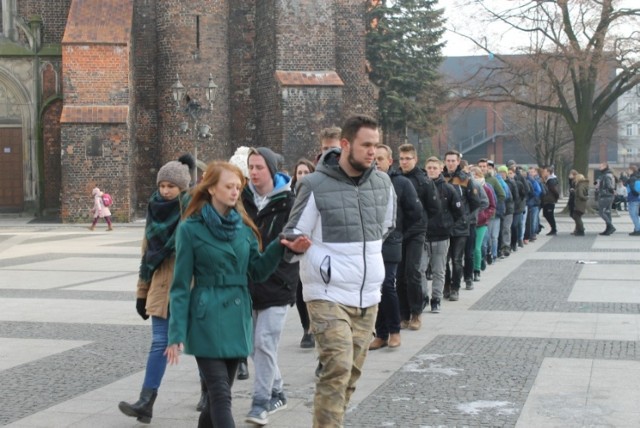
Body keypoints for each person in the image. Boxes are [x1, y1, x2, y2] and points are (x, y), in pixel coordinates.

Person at [164, 161, 310, 428]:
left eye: (237, 187)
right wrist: (175, 333)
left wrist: (280, 245)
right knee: (220, 394)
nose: (235, 192)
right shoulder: (190, 229)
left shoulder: (244, 228)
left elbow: (257, 271)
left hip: (237, 318)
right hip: (206, 317)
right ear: (211, 189)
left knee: (217, 399)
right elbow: (181, 285)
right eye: (228, 186)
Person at [283, 114, 396, 427]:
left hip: (368, 294)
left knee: (351, 374)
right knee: (337, 367)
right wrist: (299, 247)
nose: (373, 152)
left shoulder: (383, 184)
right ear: (346, 144)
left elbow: (386, 227)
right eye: (366, 145)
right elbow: (293, 232)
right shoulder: (314, 184)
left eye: (376, 145)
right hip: (326, 293)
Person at [118, 154, 194, 424]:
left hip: (190, 291)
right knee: (159, 343)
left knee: (202, 345)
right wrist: (141, 294)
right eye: (162, 185)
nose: (165, 191)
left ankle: (211, 393)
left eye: (171, 186)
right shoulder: (154, 211)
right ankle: (146, 401)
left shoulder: (192, 211)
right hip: (161, 290)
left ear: (182, 188)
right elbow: (146, 255)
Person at [242, 147, 299, 425]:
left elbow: (296, 241)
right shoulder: (242, 199)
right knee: (253, 345)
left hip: (278, 281)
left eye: (259, 167)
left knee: (264, 341)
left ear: (272, 170)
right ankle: (277, 389)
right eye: (250, 167)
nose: (253, 172)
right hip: (249, 281)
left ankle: (261, 401)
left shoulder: (289, 201)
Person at [369, 144, 422, 350]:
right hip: (371, 243)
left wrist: (399, 231)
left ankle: (394, 330)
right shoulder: (366, 182)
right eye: (374, 158)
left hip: (391, 242)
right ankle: (380, 333)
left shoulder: (401, 183)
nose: (376, 163)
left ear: (390, 161)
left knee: (387, 285)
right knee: (374, 288)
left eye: (381, 159)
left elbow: (415, 213)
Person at [397, 143, 440, 329]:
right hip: (398, 231)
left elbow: (434, 208)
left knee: (413, 272)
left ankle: (416, 313)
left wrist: (421, 223)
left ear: (415, 160)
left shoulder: (424, 181)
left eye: (408, 158)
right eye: (402, 158)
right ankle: (403, 314)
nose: (404, 162)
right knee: (399, 275)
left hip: (416, 231)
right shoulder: (395, 178)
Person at [424, 157, 462, 311]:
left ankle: (436, 299)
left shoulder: (449, 189)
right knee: (420, 270)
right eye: (429, 167)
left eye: (435, 168)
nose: (432, 170)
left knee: (439, 269)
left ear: (441, 169)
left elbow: (458, 212)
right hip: (423, 235)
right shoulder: (420, 187)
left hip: (441, 235)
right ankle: (423, 297)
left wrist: (448, 226)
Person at [443, 150, 481, 301]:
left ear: (458, 162)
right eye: (448, 160)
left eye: (453, 160)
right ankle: (446, 285)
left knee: (457, 259)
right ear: (444, 162)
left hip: (460, 226)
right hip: (443, 226)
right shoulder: (441, 178)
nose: (451, 163)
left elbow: (476, 203)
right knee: (443, 260)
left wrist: (466, 219)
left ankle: (455, 288)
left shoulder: (466, 180)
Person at [291, 158, 316, 348]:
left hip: (314, 248)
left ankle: (315, 327)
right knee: (300, 290)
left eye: (306, 172)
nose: (302, 176)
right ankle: (306, 328)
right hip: (296, 250)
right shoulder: (289, 197)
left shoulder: (317, 194)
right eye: (299, 173)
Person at [470, 166, 496, 281]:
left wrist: (484, 215)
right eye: (473, 175)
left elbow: (492, 205)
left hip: (481, 223)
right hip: (470, 222)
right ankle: (471, 268)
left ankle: (477, 270)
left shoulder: (487, 188)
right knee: (469, 248)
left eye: (477, 175)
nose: (474, 177)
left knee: (478, 247)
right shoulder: (468, 187)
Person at [596, 162, 616, 235]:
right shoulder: (607, 174)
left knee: (601, 212)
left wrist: (611, 190)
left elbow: (609, 186)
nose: (599, 168)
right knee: (607, 212)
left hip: (605, 195)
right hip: (608, 195)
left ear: (605, 166)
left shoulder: (606, 175)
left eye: (600, 166)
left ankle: (611, 227)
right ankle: (608, 229)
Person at [540, 166, 560, 235]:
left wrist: (556, 197)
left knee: (549, 215)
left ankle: (554, 229)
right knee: (546, 214)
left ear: (548, 172)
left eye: (545, 172)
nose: (544, 173)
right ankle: (553, 228)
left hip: (549, 200)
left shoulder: (551, 181)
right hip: (548, 200)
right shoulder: (549, 179)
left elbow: (554, 190)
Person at [626, 164, 640, 236]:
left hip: (633, 198)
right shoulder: (638, 177)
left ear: (632, 170)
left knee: (633, 215)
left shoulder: (631, 178)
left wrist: (636, 194)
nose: (628, 171)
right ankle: (637, 228)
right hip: (637, 198)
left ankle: (638, 230)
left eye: (629, 170)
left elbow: (632, 188)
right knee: (636, 215)